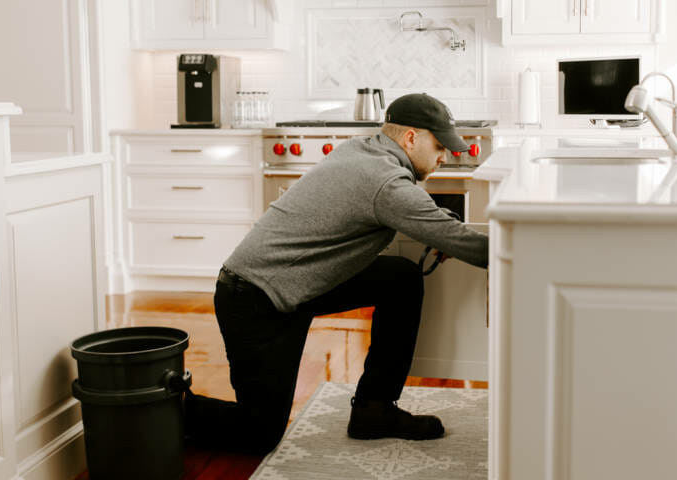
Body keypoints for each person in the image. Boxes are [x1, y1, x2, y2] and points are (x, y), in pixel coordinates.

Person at [184, 93, 489, 454]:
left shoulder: (363, 149)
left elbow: (422, 214)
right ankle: (166, 406)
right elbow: (467, 244)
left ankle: (373, 409)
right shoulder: (386, 183)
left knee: (400, 279)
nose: (444, 157)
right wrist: (537, 253)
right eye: (439, 146)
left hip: (294, 285)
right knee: (258, 433)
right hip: (256, 301)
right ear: (410, 138)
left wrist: (442, 229)